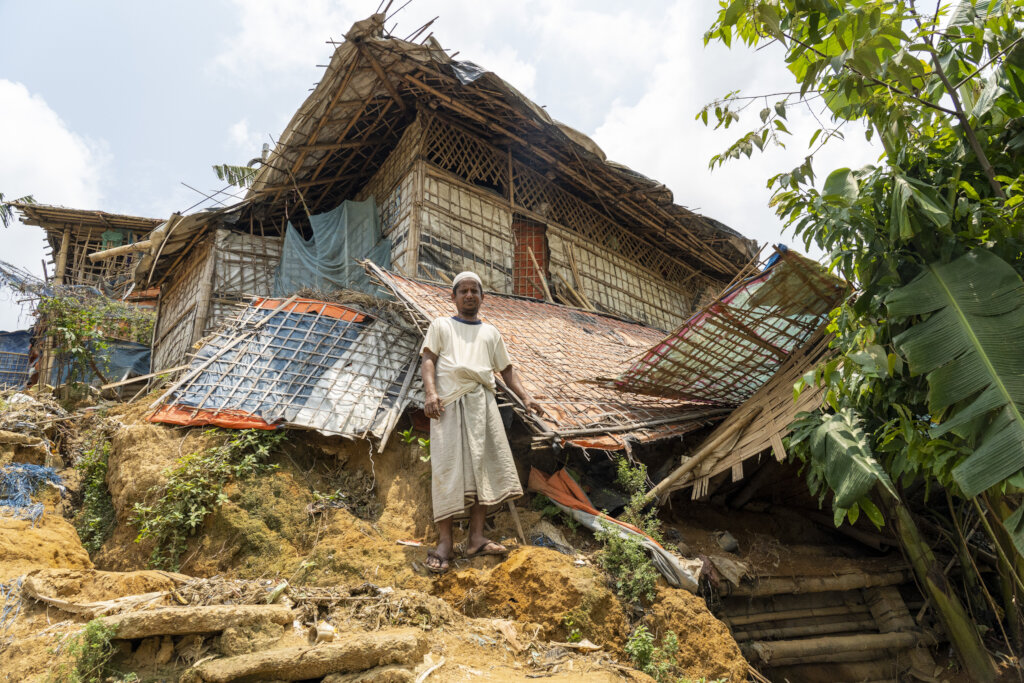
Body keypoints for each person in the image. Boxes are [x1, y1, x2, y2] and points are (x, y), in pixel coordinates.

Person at [420, 271, 543, 574]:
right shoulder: (441, 326)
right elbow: (428, 361)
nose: (469, 295)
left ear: (482, 297)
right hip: (448, 406)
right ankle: (445, 542)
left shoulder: (491, 333)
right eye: (463, 291)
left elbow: (507, 370)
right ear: (454, 296)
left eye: (475, 291)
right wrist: (431, 393)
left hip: (483, 406)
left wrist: (526, 398)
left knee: (484, 469)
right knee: (448, 470)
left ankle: (475, 538)